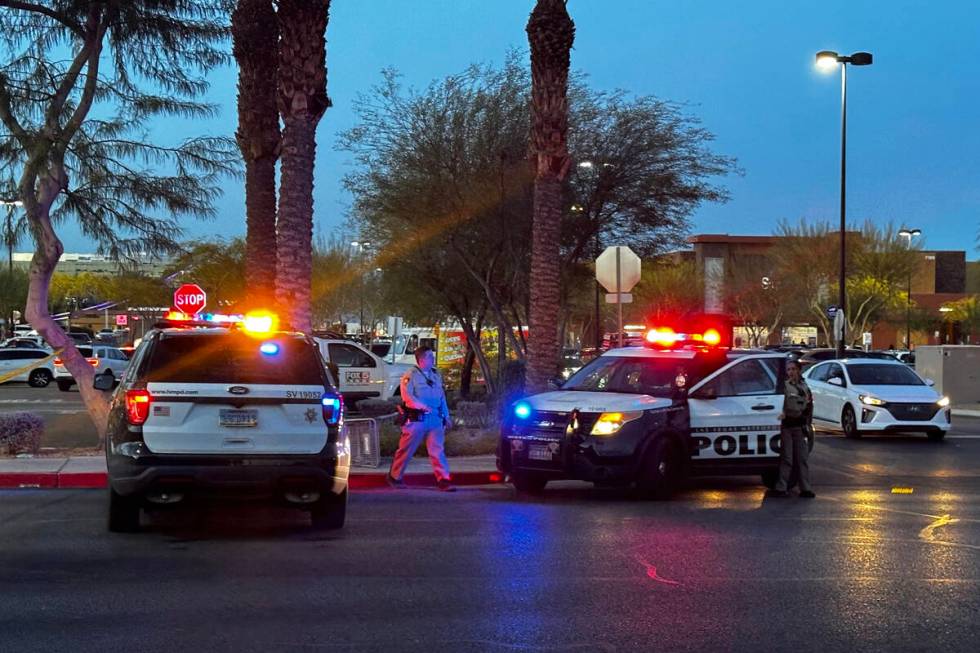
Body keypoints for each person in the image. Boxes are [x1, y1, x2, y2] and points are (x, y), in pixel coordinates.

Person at [387, 346, 455, 492]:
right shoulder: (410, 375)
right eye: (430, 357)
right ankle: (395, 476)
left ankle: (443, 479)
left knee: (437, 450)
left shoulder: (435, 375)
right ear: (422, 359)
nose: (433, 359)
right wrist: (423, 406)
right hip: (417, 418)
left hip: (435, 418)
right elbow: (407, 397)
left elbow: (442, 397)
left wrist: (447, 416)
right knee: (406, 449)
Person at [769, 359, 815, 498]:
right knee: (787, 458)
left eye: (793, 369)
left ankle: (805, 488)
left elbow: (809, 406)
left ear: (799, 370)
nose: (791, 372)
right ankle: (781, 487)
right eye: (788, 370)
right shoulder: (784, 386)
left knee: (802, 458)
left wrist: (807, 424)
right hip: (787, 426)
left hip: (799, 426)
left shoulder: (804, 386)